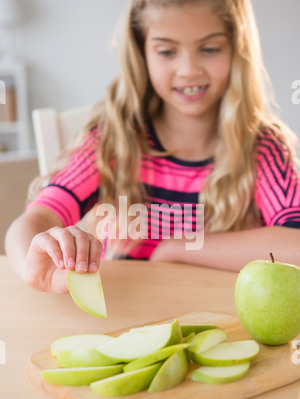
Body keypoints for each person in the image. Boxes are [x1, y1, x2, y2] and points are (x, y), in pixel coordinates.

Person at [5, 0, 300, 295]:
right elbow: (34, 221)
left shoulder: (264, 148)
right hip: (127, 316)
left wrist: (179, 247)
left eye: (210, 49)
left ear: (237, 49)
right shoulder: (113, 141)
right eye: (167, 51)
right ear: (142, 54)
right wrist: (35, 262)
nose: (188, 70)